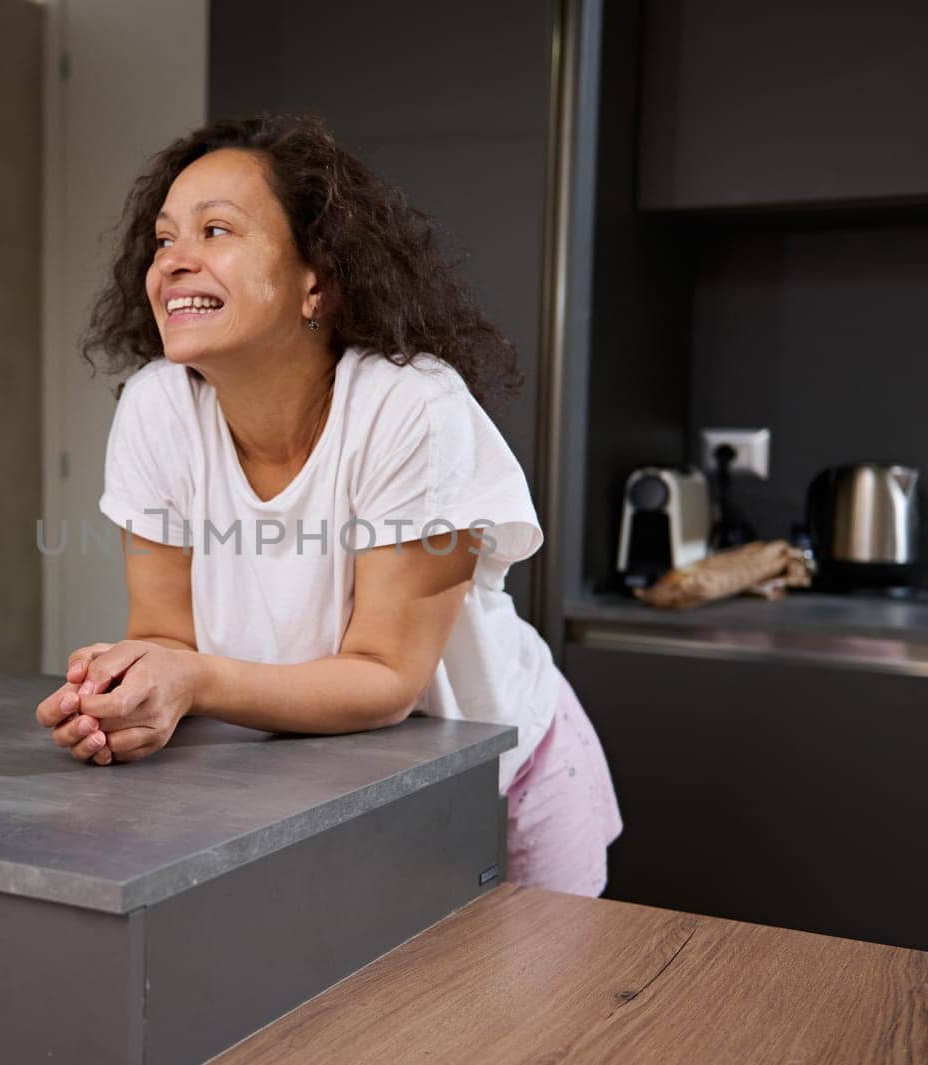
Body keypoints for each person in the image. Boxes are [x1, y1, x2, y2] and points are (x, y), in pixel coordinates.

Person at [33, 113, 622, 896]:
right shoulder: (155, 409)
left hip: (501, 785)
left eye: (216, 231)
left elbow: (387, 676)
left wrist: (190, 680)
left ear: (319, 278)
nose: (173, 261)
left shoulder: (413, 410)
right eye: (164, 239)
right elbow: (166, 636)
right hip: (328, 796)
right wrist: (132, 698)